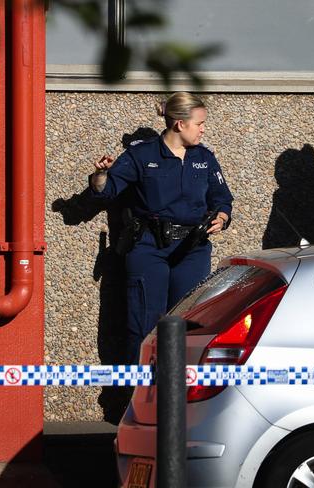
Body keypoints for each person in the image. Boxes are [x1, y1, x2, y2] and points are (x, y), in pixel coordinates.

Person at [89, 92, 233, 363]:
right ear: (180, 124)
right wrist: (100, 176)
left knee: (187, 323)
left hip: (192, 248)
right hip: (149, 246)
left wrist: (222, 216)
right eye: (199, 123)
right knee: (143, 321)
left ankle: (181, 394)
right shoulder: (141, 155)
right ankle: (137, 393)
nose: (203, 129)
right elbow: (107, 191)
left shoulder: (204, 157)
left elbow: (222, 197)